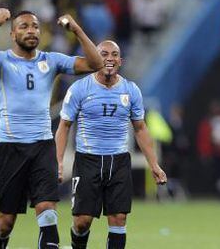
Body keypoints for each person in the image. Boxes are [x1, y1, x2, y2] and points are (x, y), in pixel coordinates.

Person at [0, 8, 103, 249]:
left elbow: (96, 63)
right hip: (9, 148)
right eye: (24, 27)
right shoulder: (1, 60)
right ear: (12, 34)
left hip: (42, 147)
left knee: (47, 212)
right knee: (5, 223)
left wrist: (77, 30)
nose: (31, 31)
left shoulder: (51, 60)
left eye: (35, 26)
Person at [55, 40, 167, 249]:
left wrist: (154, 165)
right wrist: (58, 161)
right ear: (94, 58)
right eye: (104, 54)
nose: (109, 58)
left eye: (114, 54)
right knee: (82, 222)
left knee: (118, 219)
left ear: (120, 61)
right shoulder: (79, 88)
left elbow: (141, 129)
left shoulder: (131, 90)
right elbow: (64, 126)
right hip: (88, 159)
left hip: (119, 160)